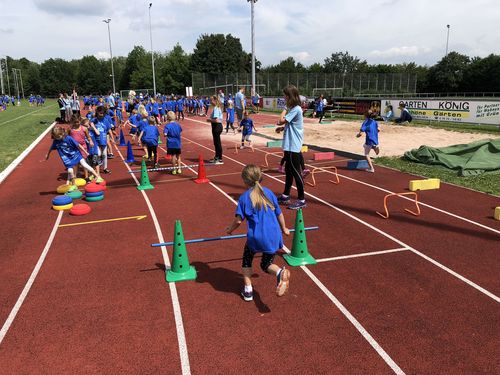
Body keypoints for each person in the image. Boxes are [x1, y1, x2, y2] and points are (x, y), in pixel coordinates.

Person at [226, 164, 291, 302]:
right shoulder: (269, 193)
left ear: (245, 181)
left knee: (247, 260)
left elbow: (238, 221)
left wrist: (229, 230)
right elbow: (279, 214)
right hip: (274, 235)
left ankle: (248, 291)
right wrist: (284, 229)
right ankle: (279, 272)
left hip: (257, 238)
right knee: (266, 264)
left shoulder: (244, 198)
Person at [275, 85, 307, 210]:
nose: (283, 97)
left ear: (289, 96)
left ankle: (302, 199)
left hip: (293, 146)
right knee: (288, 172)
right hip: (289, 145)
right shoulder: (294, 108)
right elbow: (291, 125)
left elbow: (280, 120)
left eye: (285, 95)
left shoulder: (296, 109)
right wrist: (282, 128)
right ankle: (285, 195)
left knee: (296, 172)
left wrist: (284, 108)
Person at [206, 95, 224, 164]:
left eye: (211, 100)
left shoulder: (216, 108)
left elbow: (216, 120)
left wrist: (209, 120)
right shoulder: (216, 108)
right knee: (216, 143)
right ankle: (217, 157)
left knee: (217, 143)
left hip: (217, 126)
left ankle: (219, 158)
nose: (210, 102)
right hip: (216, 126)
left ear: (215, 100)